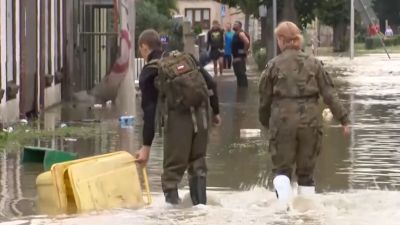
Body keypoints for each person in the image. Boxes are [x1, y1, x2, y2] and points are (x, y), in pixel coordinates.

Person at [258, 22, 350, 201]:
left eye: (278, 39)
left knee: (281, 171)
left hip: (282, 122)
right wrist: (344, 119)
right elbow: (330, 94)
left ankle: (283, 212)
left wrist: (266, 122)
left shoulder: (273, 65)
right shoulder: (314, 63)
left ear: (282, 40)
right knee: (306, 174)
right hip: (310, 122)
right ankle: (306, 214)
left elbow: (264, 99)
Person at [136, 29, 221, 205]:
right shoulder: (186, 58)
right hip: (201, 116)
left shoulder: (150, 71)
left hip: (178, 122)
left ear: (144, 48)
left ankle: (174, 218)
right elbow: (211, 83)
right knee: (198, 166)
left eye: (140, 50)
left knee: (172, 174)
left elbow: (150, 111)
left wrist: (146, 146)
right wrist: (216, 112)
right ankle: (201, 212)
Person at [232, 21, 250, 87]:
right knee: (238, 74)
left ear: (239, 26)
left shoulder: (240, 33)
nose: (233, 25)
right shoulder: (236, 34)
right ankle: (241, 90)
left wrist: (244, 51)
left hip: (240, 58)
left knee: (241, 74)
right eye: (234, 24)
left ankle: (243, 90)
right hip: (236, 57)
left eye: (235, 24)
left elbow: (247, 42)